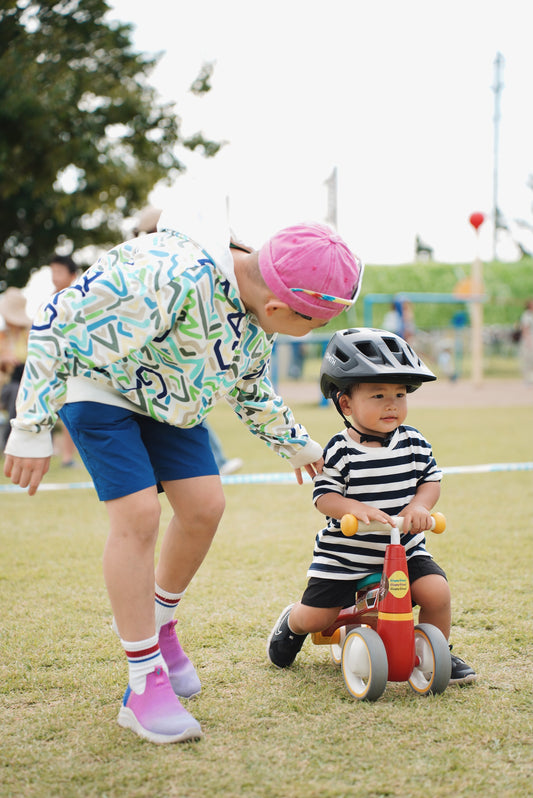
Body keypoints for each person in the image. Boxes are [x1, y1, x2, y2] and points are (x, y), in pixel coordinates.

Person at [3, 196, 364, 744]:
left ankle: (161, 621)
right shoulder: (169, 278)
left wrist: (298, 446)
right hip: (100, 386)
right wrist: (30, 427)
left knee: (204, 508)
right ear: (277, 309)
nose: (311, 335)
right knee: (140, 516)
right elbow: (58, 322)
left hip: (170, 401)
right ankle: (143, 681)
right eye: (312, 324)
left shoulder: (256, 311)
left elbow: (248, 386)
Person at [267, 327, 476, 686]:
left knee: (436, 592)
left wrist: (419, 507)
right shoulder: (339, 450)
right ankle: (292, 623)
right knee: (319, 618)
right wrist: (350, 508)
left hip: (404, 548)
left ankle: (436, 649)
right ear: (345, 403)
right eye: (378, 395)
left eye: (399, 394)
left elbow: (430, 480)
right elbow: (324, 497)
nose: (392, 404)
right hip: (346, 554)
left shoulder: (414, 442)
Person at [134, 205, 243, 476]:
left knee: (194, 414)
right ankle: (216, 461)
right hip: (153, 380)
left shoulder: (190, 269)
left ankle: (216, 460)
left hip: (172, 380)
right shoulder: (152, 269)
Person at [49, 254, 80, 466]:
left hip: (74, 367)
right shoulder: (48, 302)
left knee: (71, 413)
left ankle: (68, 457)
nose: (54, 276)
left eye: (59, 272)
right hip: (52, 365)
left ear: (72, 275)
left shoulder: (78, 299)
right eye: (52, 271)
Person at [0, 288, 32, 448]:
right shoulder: (2, 337)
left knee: (20, 391)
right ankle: (10, 442)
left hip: (26, 385)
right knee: (15, 391)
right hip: (5, 387)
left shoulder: (30, 336)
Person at [519, 298, 533, 384]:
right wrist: (528, 341)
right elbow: (525, 329)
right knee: (527, 360)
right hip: (529, 339)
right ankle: (527, 379)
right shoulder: (526, 315)